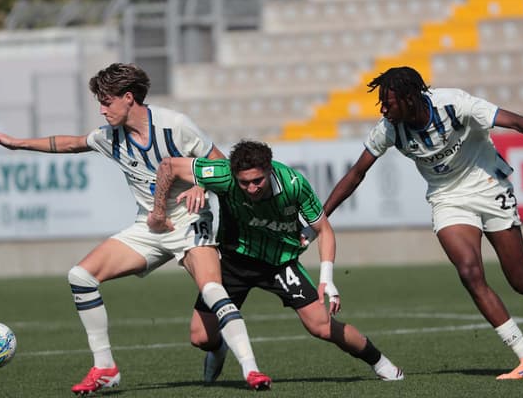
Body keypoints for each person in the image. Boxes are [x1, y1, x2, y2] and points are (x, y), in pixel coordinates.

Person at [0, 63, 271, 393]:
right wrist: (16, 143)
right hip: (149, 227)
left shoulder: (175, 126)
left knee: (212, 291)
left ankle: (251, 370)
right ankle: (105, 368)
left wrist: (201, 187)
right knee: (81, 276)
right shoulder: (110, 137)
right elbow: (73, 143)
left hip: (191, 222)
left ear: (128, 98)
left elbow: (221, 165)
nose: (102, 109)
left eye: (106, 102)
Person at [321, 66, 523, 380]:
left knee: (521, 282)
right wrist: (322, 216)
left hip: (489, 183)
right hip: (447, 199)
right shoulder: (388, 128)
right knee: (469, 271)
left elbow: (517, 122)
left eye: (389, 102)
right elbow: (357, 173)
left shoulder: (453, 104)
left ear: (411, 98)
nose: (383, 109)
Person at [148, 140, 405, 384]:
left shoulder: (293, 184)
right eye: (244, 183)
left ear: (269, 170)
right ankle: (219, 347)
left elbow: (324, 230)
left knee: (321, 326)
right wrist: (174, 201)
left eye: (257, 181)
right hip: (233, 260)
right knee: (200, 337)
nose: (251, 188)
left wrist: (326, 279)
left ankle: (380, 362)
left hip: (279, 263)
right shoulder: (224, 173)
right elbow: (169, 166)